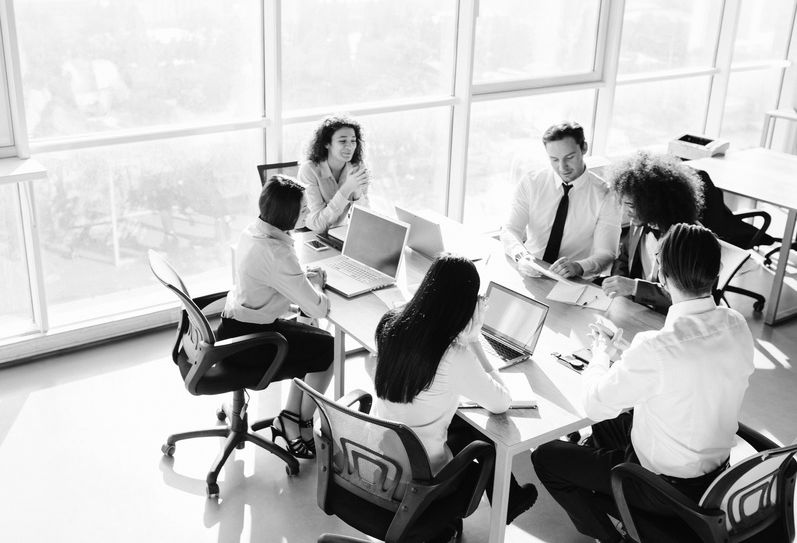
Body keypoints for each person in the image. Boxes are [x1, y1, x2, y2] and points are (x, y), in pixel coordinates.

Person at [531, 223, 755, 543]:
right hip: (717, 477)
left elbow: (593, 403)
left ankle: (613, 537)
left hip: (663, 489)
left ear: (660, 275)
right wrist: (628, 358)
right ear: (716, 270)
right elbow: (692, 378)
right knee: (611, 426)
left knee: (547, 457)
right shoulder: (737, 325)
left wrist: (600, 355)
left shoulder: (655, 347)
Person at [366, 253, 538, 532]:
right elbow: (501, 403)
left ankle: (512, 499)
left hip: (381, 460)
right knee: (487, 439)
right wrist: (473, 342)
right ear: (464, 305)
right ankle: (508, 500)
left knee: (466, 423)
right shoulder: (452, 354)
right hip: (421, 479)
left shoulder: (390, 325)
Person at [217, 174, 334, 460]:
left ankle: (289, 417)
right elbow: (319, 307)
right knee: (328, 349)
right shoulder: (278, 252)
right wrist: (315, 285)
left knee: (311, 336)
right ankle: (300, 422)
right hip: (252, 344)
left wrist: (299, 280)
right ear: (287, 214)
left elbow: (270, 275)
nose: (308, 212)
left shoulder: (254, 231)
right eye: (304, 209)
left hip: (233, 327)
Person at [501, 120, 621, 280]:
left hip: (573, 281)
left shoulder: (606, 195)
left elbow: (606, 254)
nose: (562, 167)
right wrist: (521, 256)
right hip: (530, 271)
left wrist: (578, 267)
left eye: (569, 157)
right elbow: (510, 229)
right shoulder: (532, 183)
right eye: (554, 160)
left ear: (584, 148)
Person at [601, 151, 704, 311]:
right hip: (635, 309)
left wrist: (635, 288)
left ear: (655, 203)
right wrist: (618, 281)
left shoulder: (690, 239)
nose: (624, 213)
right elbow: (624, 258)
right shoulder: (640, 221)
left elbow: (687, 298)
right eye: (623, 204)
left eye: (631, 206)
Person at [298, 113, 371, 232]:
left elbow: (366, 219)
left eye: (353, 141)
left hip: (343, 233)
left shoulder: (357, 168)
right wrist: (347, 188)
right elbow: (316, 225)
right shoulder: (309, 170)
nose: (350, 146)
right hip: (313, 235)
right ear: (327, 143)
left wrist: (357, 192)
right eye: (342, 141)